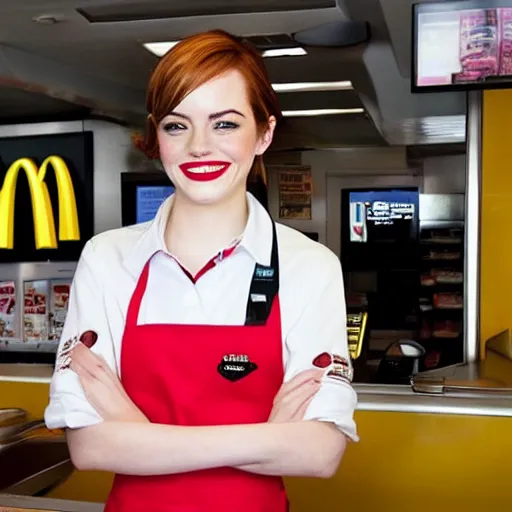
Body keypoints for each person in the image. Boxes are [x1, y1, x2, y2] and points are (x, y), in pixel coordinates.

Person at [45, 29, 358, 512]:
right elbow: (90, 448)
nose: (199, 147)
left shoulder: (309, 266)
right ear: (157, 135)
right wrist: (269, 438)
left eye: (225, 124)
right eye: (176, 126)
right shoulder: (107, 260)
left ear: (264, 133)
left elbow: (319, 453)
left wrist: (137, 430)